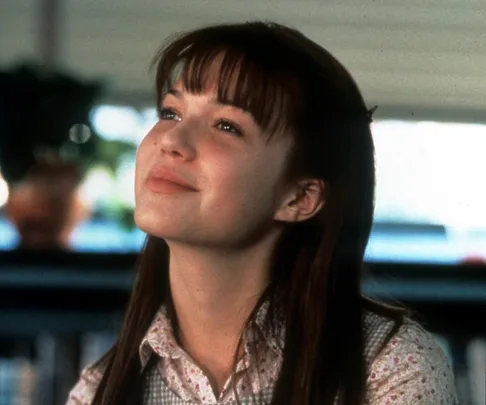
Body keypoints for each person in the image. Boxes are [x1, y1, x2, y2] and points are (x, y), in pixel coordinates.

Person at [67, 21, 457, 405]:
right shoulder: (99, 389)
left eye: (226, 125)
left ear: (300, 198)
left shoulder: (388, 369)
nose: (170, 139)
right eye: (171, 112)